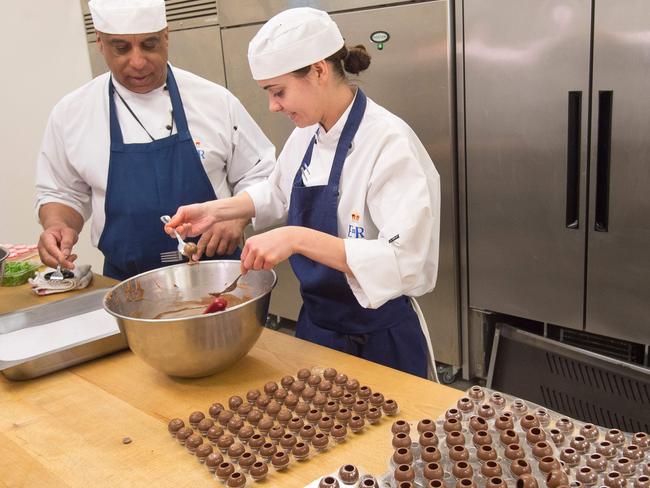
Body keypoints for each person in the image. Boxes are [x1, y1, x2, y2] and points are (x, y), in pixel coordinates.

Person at [166, 7, 440, 378]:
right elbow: (277, 193)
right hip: (317, 329)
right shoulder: (306, 135)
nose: (272, 106)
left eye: (278, 92)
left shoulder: (389, 143)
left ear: (319, 71)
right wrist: (217, 211)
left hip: (378, 339)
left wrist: (296, 238)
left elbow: (404, 260)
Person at [35, 0, 275, 280]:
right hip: (128, 285)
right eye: (121, 48)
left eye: (149, 45)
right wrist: (58, 225)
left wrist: (236, 217)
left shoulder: (214, 102)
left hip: (222, 276)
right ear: (100, 43)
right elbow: (62, 192)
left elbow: (263, 175)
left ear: (166, 36)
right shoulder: (72, 113)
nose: (137, 61)